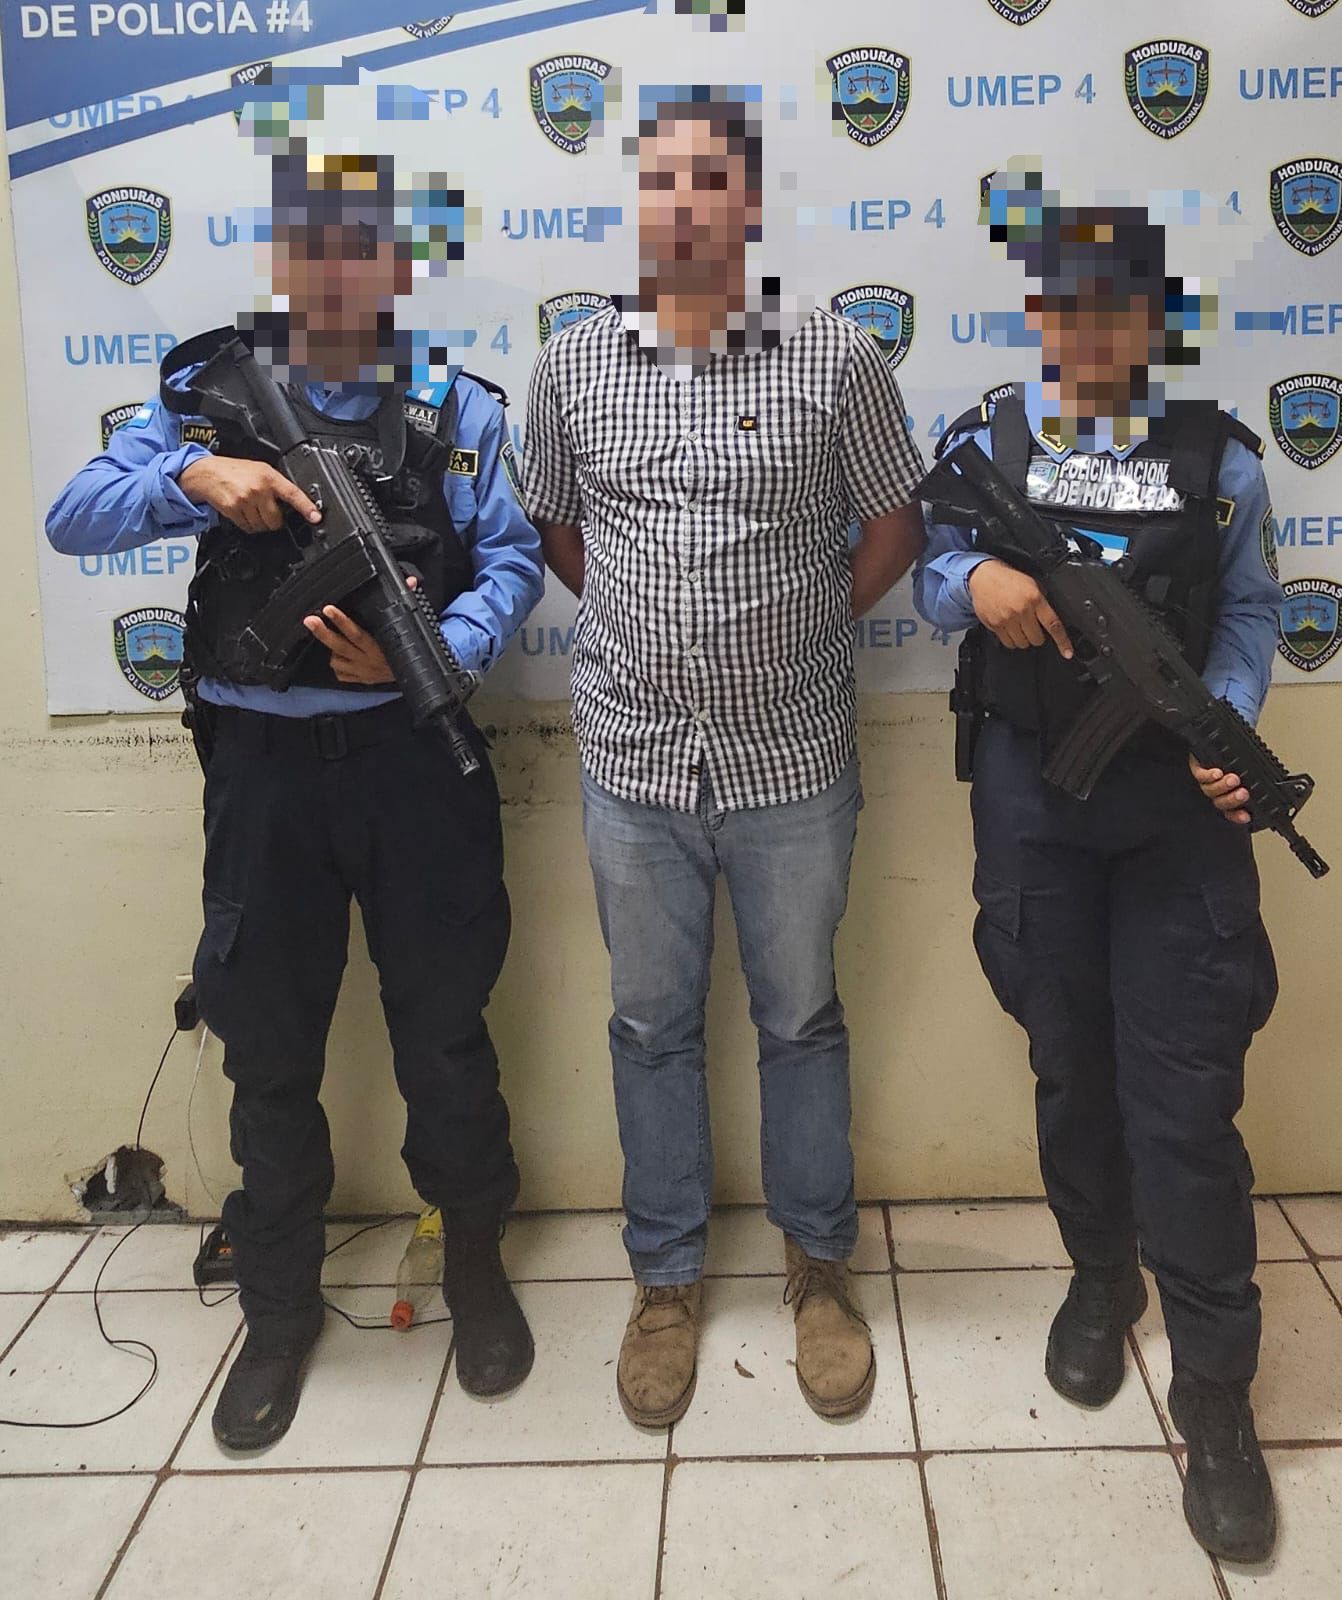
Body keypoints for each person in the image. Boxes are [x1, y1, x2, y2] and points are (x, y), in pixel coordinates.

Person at [46, 142, 544, 1452]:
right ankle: (277, 1309)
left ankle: (474, 1266)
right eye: (314, 246)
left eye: (363, 247)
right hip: (262, 775)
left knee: (444, 1030)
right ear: (283, 260)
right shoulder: (210, 397)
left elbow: (508, 562)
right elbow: (73, 515)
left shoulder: (454, 409)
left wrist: (441, 653)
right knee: (268, 1049)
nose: (338, 271)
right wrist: (189, 479)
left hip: (413, 763)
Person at [519, 88, 926, 1428]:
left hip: (791, 755)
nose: (684, 207)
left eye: (710, 183)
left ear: (748, 205)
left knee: (800, 1019)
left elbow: (894, 522)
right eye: (662, 184)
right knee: (648, 1025)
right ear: (639, 204)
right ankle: (665, 1281)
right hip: (634, 759)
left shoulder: (835, 357)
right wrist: (644, 627)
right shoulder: (573, 364)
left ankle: (819, 1270)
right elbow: (557, 527)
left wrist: (807, 623)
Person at [913, 166, 1284, 1563]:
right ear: (1040, 310)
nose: (1089, 326)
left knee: (1183, 1100)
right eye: (1067, 303)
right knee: (1068, 1060)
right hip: (1034, 798)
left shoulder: (1219, 458)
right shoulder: (987, 440)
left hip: (1179, 815)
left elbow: (1251, 610)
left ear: (1154, 313)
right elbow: (926, 565)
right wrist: (974, 583)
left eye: (1115, 303)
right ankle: (1096, 1276)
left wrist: (1222, 723)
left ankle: (1217, 1392)